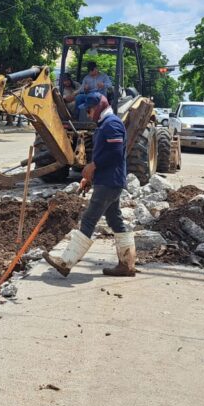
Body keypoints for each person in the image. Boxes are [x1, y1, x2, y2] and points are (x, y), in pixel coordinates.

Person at [43, 93, 135, 277]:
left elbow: (116, 153)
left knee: (89, 219)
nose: (88, 113)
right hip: (107, 180)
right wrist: (90, 176)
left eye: (90, 109)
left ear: (99, 106)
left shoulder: (112, 124)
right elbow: (106, 153)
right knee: (114, 219)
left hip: (110, 181)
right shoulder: (105, 124)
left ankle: (66, 262)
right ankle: (127, 264)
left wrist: (94, 165)